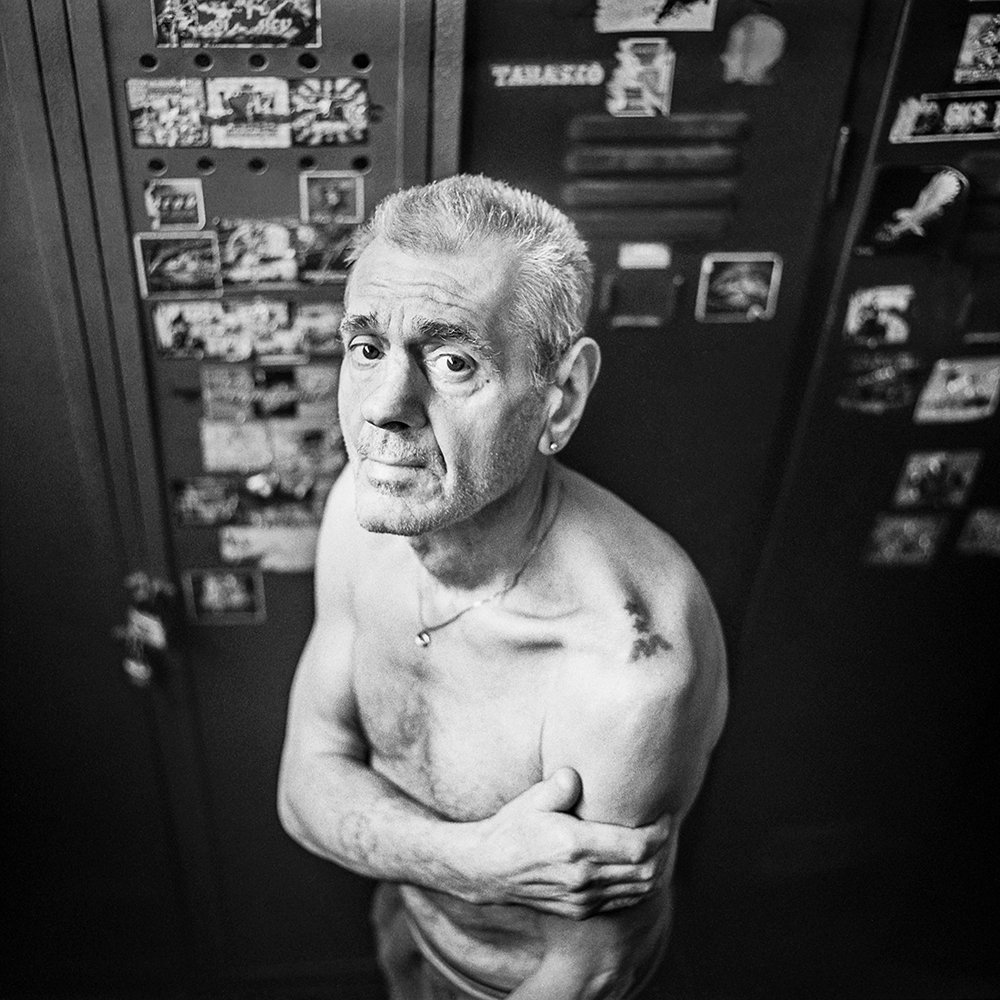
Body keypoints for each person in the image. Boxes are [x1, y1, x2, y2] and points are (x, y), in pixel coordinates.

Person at [278, 174, 728, 999]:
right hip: (409, 917)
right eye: (367, 348)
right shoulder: (362, 512)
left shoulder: (626, 667)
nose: (384, 409)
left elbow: (590, 966)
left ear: (561, 398)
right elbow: (304, 782)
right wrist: (470, 863)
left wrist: (437, 865)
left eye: (453, 362)